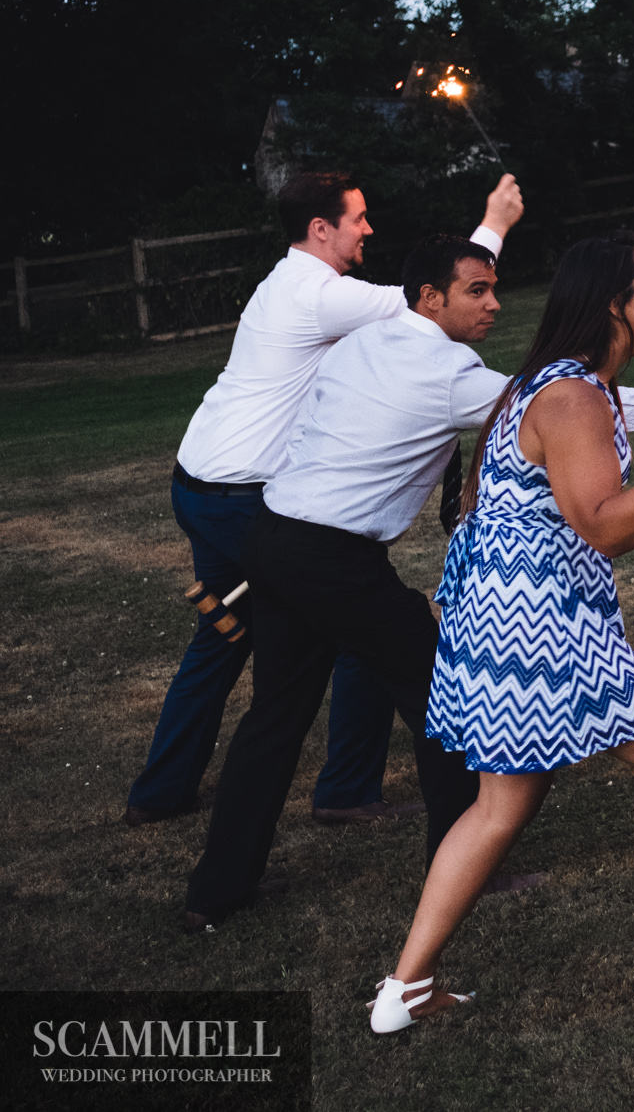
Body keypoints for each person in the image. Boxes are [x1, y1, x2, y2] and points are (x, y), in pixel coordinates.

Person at [184, 234, 634, 930]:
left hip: (274, 535)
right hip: (332, 556)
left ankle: (216, 891)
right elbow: (564, 407)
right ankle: (467, 854)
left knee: (275, 715)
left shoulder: (363, 341)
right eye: (476, 292)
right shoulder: (450, 374)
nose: (493, 305)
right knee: (448, 697)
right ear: (429, 297)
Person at [369, 235, 634, 1032]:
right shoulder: (572, 397)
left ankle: (403, 991)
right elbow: (606, 526)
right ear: (615, 302)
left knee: (499, 804)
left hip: (500, 619)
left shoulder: (567, 386)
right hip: (537, 623)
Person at [128, 170, 520, 829]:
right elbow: (423, 304)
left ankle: (161, 791)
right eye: (358, 218)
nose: (368, 228)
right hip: (248, 494)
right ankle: (345, 789)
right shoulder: (318, 295)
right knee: (356, 622)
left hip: (200, 481)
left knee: (225, 634)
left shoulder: (284, 284)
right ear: (321, 229)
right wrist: (495, 226)